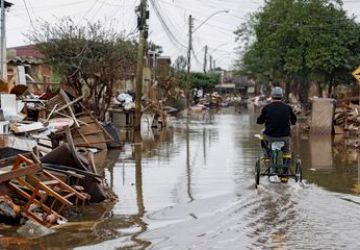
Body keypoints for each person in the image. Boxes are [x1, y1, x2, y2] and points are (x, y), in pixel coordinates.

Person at [256, 87, 297, 170]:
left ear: (272, 96)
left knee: (262, 138)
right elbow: (294, 120)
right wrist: (292, 123)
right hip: (284, 137)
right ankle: (285, 175)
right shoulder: (288, 108)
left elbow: (259, 121)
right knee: (286, 151)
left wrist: (263, 120)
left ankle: (267, 156)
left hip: (270, 137)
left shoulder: (266, 108)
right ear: (282, 96)